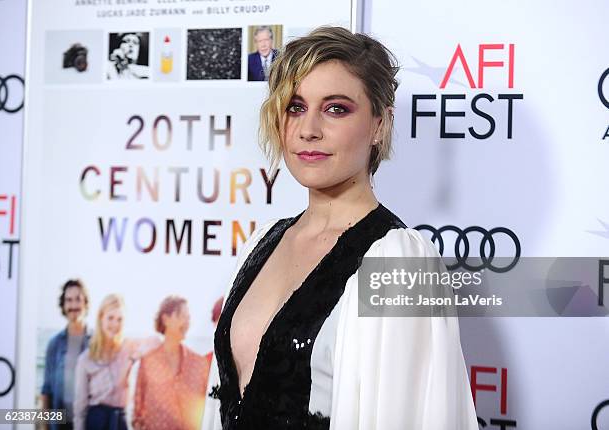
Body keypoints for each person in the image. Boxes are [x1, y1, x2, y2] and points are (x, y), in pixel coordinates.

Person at [202, 26, 478, 429]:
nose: (308, 129)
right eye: (295, 106)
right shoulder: (263, 241)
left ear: (380, 124)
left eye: (336, 109)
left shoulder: (399, 261)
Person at [74, 294, 159, 430]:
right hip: (96, 421)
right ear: (101, 318)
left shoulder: (129, 347)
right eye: (110, 318)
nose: (115, 324)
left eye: (120, 319)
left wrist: (133, 357)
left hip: (120, 422)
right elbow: (80, 408)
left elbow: (155, 342)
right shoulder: (86, 359)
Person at [133, 296, 209, 430]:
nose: (186, 322)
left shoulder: (199, 364)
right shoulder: (148, 361)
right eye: (181, 316)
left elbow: (206, 411)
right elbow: (138, 414)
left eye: (188, 318)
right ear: (165, 319)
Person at [41, 279, 91, 430]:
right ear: (63, 305)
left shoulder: (96, 342)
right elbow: (46, 391)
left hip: (88, 422)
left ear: (85, 304)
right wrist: (44, 426)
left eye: (78, 299)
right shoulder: (54, 344)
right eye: (69, 300)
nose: (74, 305)